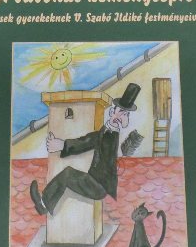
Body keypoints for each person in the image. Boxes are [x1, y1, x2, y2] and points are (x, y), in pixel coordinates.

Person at [29, 83, 139, 216]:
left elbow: (89, 141)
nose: (121, 117)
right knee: (67, 174)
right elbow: (87, 140)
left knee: (67, 174)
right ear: (112, 111)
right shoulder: (106, 132)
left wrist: (62, 145)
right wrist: (62, 145)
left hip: (99, 186)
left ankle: (44, 204)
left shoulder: (112, 135)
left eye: (125, 114)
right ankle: (45, 204)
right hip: (94, 180)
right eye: (120, 112)